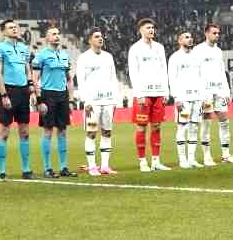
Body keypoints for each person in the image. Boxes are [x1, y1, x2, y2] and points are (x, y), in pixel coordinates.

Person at [0, 19, 36, 180]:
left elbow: (27, 68)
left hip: (23, 91)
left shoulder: (24, 48)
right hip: (9, 90)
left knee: (24, 132)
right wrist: (4, 95)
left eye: (15, 27)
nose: (14, 29)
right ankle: (2, 170)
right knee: (4, 132)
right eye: (10, 27)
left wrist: (30, 84)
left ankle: (26, 169)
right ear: (3, 31)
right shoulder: (0, 48)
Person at [30, 25, 76, 178]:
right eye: (53, 34)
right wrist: (39, 100)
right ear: (46, 38)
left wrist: (70, 99)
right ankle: (47, 168)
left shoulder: (64, 55)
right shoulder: (41, 56)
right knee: (48, 131)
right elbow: (35, 79)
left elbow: (69, 80)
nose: (57, 36)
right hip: (48, 95)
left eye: (58, 33)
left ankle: (64, 167)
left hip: (62, 96)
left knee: (63, 131)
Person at [127, 18, 172, 172]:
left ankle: (156, 161)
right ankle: (142, 161)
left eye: (152, 27)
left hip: (158, 92)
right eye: (148, 28)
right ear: (141, 30)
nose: (151, 30)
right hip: (143, 93)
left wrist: (165, 91)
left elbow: (163, 69)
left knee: (157, 126)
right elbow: (133, 72)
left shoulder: (159, 47)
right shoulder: (135, 49)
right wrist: (138, 93)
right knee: (141, 127)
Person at [193, 23, 233, 165]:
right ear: (206, 33)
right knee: (206, 123)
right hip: (205, 92)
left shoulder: (218, 51)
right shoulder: (198, 50)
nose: (217, 35)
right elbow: (195, 72)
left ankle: (226, 155)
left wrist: (226, 91)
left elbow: (221, 72)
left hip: (219, 90)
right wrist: (200, 93)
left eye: (218, 33)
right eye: (214, 33)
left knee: (224, 121)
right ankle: (207, 156)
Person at [74, 29, 118, 176]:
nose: (100, 39)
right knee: (91, 133)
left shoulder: (108, 57)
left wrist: (115, 99)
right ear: (89, 40)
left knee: (107, 132)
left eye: (101, 36)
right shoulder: (84, 58)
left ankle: (105, 166)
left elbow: (113, 79)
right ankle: (92, 166)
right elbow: (81, 80)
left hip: (108, 101)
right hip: (93, 103)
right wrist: (85, 101)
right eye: (96, 36)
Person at [168, 29, 205, 168]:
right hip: (183, 98)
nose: (190, 39)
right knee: (182, 127)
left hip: (197, 97)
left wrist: (202, 96)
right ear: (180, 40)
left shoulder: (197, 57)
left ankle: (192, 159)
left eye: (191, 37)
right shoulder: (175, 57)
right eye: (186, 37)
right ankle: (182, 160)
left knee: (194, 127)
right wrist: (176, 97)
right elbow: (172, 78)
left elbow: (201, 77)